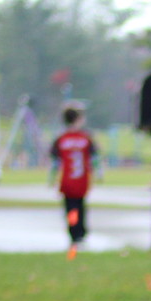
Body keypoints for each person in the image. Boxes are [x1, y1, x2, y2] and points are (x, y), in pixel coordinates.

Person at [49, 102, 95, 253]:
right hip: (81, 180)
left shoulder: (61, 139)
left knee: (71, 208)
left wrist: (51, 179)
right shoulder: (86, 138)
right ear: (78, 119)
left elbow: (55, 162)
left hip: (67, 180)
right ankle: (80, 232)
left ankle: (73, 231)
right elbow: (94, 158)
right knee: (81, 206)